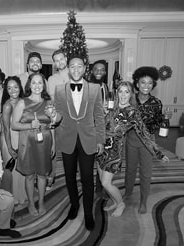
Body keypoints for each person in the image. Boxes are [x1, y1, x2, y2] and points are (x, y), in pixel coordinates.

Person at [96, 81, 169, 217]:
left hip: (114, 151)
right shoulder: (112, 107)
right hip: (101, 149)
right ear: (117, 93)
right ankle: (115, 201)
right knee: (102, 180)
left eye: (127, 91)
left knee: (106, 183)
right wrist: (103, 111)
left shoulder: (132, 112)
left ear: (131, 95)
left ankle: (121, 204)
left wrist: (158, 153)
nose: (123, 94)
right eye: (121, 91)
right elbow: (101, 126)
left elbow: (145, 135)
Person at [53, 55, 105, 231]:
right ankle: (74, 205)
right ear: (68, 68)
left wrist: (100, 140)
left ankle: (89, 213)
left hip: (88, 139)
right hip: (67, 139)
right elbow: (59, 114)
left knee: (87, 178)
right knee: (69, 177)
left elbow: (99, 116)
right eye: (72, 67)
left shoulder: (95, 89)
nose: (76, 70)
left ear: (85, 68)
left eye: (79, 66)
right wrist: (54, 118)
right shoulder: (59, 90)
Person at [123, 66, 172, 214]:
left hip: (147, 141)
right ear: (137, 84)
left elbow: (157, 123)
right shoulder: (130, 100)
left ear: (153, 85)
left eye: (149, 83)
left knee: (146, 172)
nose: (146, 86)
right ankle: (128, 193)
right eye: (143, 82)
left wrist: (164, 118)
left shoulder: (157, 103)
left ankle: (143, 201)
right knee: (130, 171)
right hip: (131, 140)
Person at [11, 73, 55, 216]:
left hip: (45, 141)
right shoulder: (22, 102)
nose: (37, 86)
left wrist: (53, 144)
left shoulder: (49, 102)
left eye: (40, 83)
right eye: (34, 83)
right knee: (29, 175)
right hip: (27, 142)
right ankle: (31, 203)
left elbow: (52, 125)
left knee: (42, 175)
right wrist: (30, 125)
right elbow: (14, 125)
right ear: (29, 85)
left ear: (43, 85)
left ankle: (41, 202)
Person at [0, 76, 28, 204]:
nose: (13, 90)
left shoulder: (23, 101)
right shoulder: (7, 105)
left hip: (21, 138)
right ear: (6, 90)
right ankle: (13, 198)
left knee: (22, 169)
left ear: (20, 88)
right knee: (13, 171)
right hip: (9, 139)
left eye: (15, 87)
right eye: (9, 88)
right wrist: (10, 148)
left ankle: (22, 195)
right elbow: (5, 129)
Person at [46, 49, 69, 190]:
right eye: (56, 60)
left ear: (66, 58)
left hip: (73, 120)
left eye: (61, 59)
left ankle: (73, 175)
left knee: (73, 150)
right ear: (54, 63)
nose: (59, 62)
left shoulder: (76, 74)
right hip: (57, 118)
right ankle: (51, 176)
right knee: (53, 149)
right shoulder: (52, 79)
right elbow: (51, 100)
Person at [90, 59, 110, 197]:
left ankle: (99, 186)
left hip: (102, 125)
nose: (99, 71)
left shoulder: (105, 86)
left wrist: (107, 109)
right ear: (92, 71)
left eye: (101, 69)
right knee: (88, 157)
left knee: (101, 156)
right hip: (89, 127)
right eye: (96, 69)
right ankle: (88, 184)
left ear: (104, 72)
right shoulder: (87, 86)